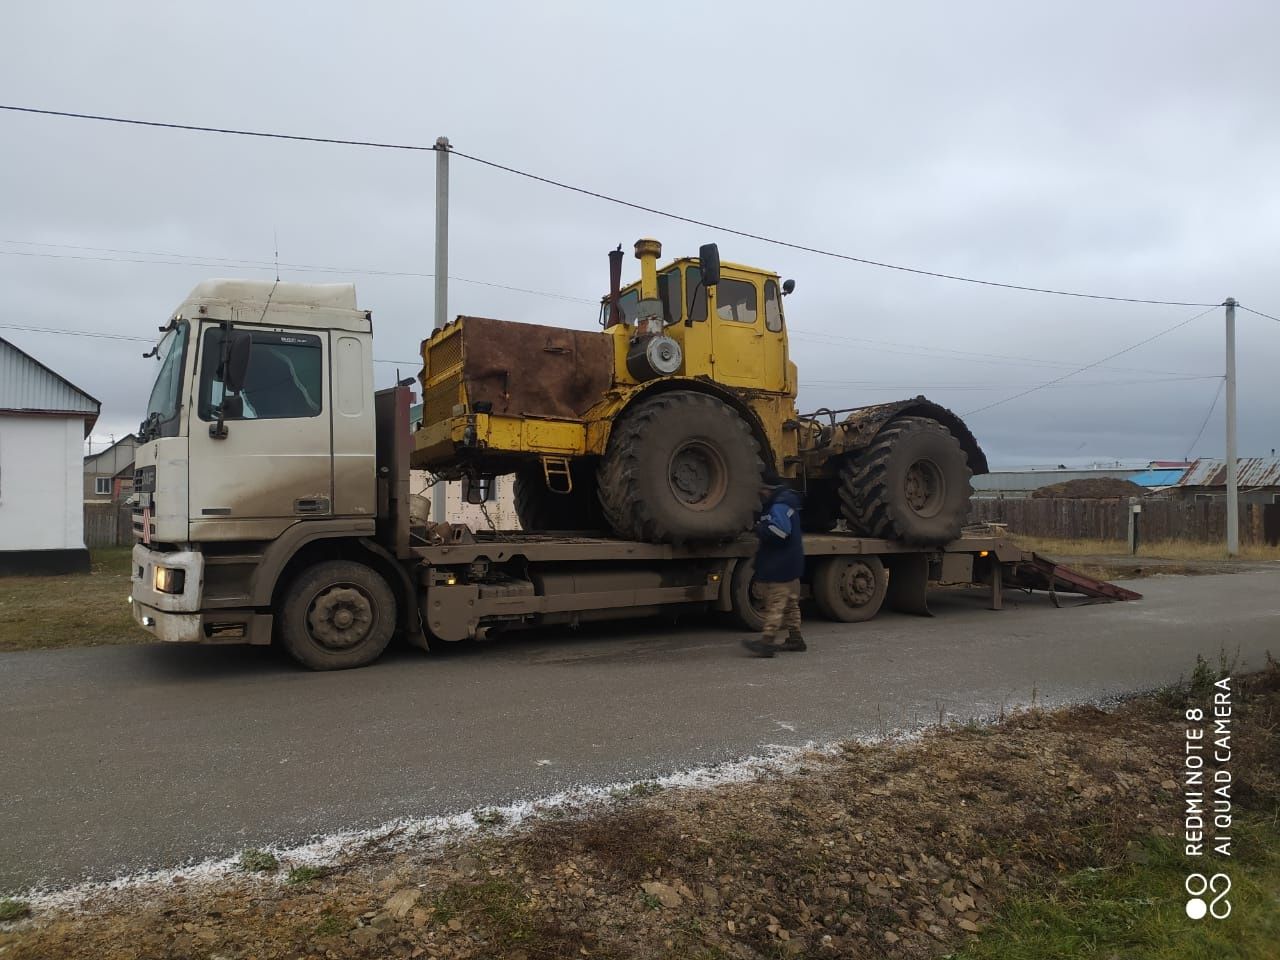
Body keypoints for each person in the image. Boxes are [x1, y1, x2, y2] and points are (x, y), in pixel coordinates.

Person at [742, 477, 806, 657]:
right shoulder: (784, 503)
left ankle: (767, 642)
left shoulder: (779, 505)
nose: (760, 493)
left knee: (776, 604)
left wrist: (760, 529)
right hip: (790, 563)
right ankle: (796, 639)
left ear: (769, 489)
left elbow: (781, 532)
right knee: (790, 604)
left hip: (781, 564)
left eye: (762, 489)